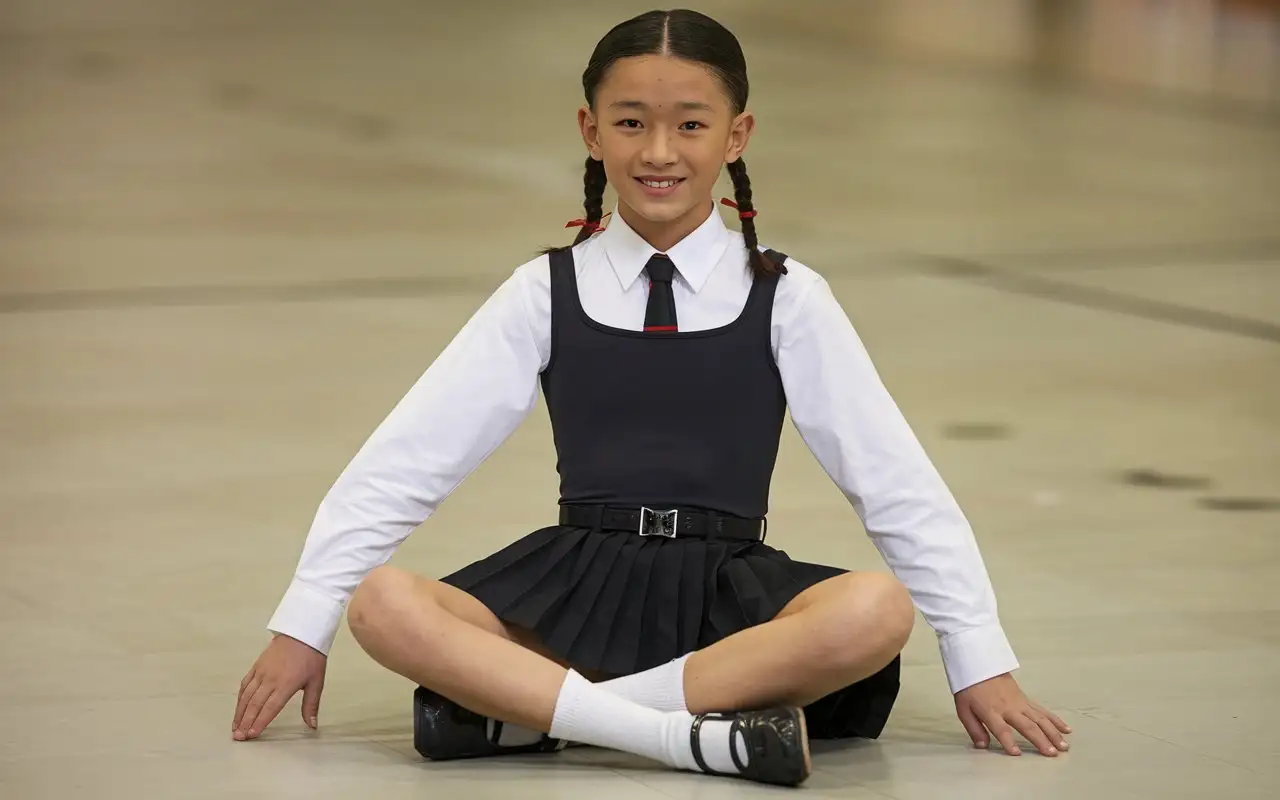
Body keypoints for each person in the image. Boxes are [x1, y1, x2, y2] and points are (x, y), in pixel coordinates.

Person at [231, 8, 1071, 788]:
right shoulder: (543, 291)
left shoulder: (787, 295)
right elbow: (409, 458)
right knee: (382, 603)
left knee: (875, 610)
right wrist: (304, 622)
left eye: (691, 125)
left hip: (727, 609)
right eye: (631, 122)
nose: (659, 151)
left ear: (737, 134)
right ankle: (683, 735)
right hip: (571, 588)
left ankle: (549, 717)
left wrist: (977, 654)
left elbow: (891, 480)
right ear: (590, 132)